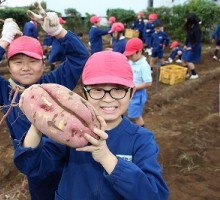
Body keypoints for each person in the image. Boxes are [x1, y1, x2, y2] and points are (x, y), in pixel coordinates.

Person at [14, 51, 169, 200]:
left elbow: (154, 194)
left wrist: (107, 158)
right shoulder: (68, 133)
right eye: (97, 90)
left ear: (131, 92)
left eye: (118, 90)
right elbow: (31, 166)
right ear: (84, 94)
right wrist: (37, 122)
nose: (108, 99)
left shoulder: (141, 139)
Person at [0, 3, 89, 200]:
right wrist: (5, 40)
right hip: (36, 166)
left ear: (43, 64)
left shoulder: (55, 81)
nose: (25, 68)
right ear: (9, 67)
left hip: (68, 160)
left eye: (33, 61)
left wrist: (59, 32)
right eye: (18, 62)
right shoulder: (6, 92)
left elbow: (80, 57)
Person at [123, 38, 152, 127]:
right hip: (131, 93)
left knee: (135, 116)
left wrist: (134, 87)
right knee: (131, 113)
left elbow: (148, 83)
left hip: (138, 95)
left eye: (131, 55)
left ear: (139, 51)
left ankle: (141, 131)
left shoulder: (144, 65)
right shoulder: (131, 61)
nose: (130, 57)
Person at [181, 13, 201, 79]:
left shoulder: (196, 29)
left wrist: (191, 47)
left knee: (188, 60)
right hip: (189, 44)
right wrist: (185, 45)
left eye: (186, 19)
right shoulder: (189, 26)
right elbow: (187, 37)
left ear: (190, 20)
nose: (185, 19)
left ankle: (194, 74)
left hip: (195, 46)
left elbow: (197, 41)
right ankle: (186, 73)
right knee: (183, 59)